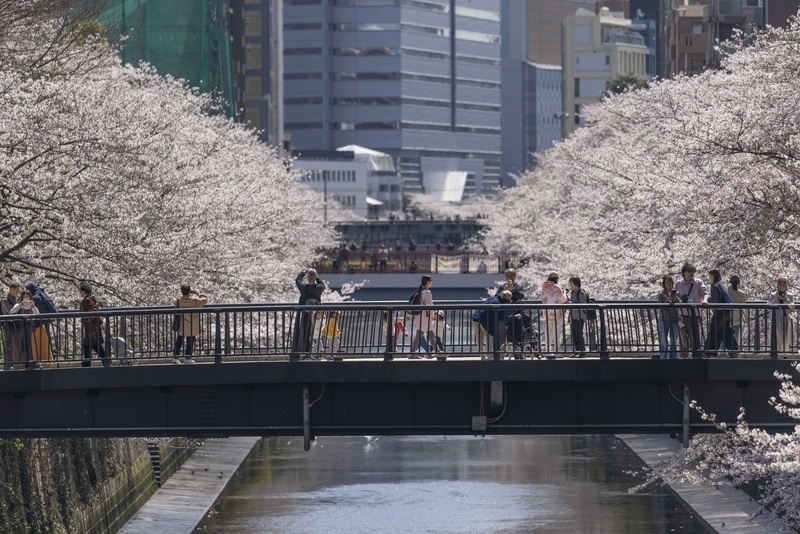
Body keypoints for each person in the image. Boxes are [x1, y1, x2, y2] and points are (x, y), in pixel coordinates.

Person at [674, 263, 708, 359]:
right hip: (682, 315)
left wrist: (705, 300)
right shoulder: (678, 284)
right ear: (684, 273)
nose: (692, 273)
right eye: (689, 271)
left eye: (693, 271)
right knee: (682, 337)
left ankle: (695, 355)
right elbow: (674, 294)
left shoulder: (698, 282)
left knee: (695, 337)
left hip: (694, 314)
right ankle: (683, 355)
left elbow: (705, 293)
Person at [291, 268, 325, 360]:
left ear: (307, 277)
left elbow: (297, 280)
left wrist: (303, 272)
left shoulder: (303, 288)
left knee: (306, 332)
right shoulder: (319, 288)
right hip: (316, 313)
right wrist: (317, 278)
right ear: (315, 277)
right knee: (317, 332)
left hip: (306, 313)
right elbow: (322, 284)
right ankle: (318, 351)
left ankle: (307, 351)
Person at [472, 290, 515, 360]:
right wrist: (515, 316)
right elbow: (504, 318)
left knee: (479, 338)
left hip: (476, 316)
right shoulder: (500, 304)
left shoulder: (494, 298)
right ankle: (490, 357)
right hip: (485, 320)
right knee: (490, 338)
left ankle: (483, 356)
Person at [704, 269, 737, 357]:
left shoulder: (714, 285)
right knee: (726, 331)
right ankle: (734, 350)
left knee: (714, 330)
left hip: (719, 311)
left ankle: (710, 351)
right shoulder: (721, 284)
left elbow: (716, 300)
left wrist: (708, 299)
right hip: (726, 311)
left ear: (713, 276)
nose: (709, 277)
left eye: (710, 275)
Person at [173, 284, 208, 364]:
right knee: (190, 340)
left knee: (179, 340)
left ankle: (176, 357)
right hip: (192, 325)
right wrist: (199, 294)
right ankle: (188, 358)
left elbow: (175, 303)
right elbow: (204, 300)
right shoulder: (195, 301)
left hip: (182, 325)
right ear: (189, 292)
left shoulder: (178, 302)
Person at [78, 282, 109, 368]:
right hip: (89, 328)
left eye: (80, 290)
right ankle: (87, 362)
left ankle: (106, 361)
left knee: (96, 345)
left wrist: (87, 318)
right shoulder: (87, 299)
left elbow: (95, 311)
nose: (79, 292)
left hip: (92, 328)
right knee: (86, 344)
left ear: (84, 291)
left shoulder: (87, 300)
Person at [8, 288, 39, 369]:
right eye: (24, 297)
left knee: (26, 347)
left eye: (28, 297)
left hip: (28, 328)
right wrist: (20, 305)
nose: (26, 299)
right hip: (18, 329)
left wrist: (33, 307)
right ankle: (17, 365)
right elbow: (12, 311)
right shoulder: (18, 305)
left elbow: (38, 315)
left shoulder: (32, 307)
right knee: (17, 347)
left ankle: (26, 364)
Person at [26, 283, 56, 364]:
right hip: (46, 320)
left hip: (39, 323)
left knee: (38, 342)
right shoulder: (42, 294)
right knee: (46, 340)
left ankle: (39, 359)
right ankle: (49, 358)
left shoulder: (34, 298)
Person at [406, 275, 434, 358]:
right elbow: (430, 306)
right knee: (429, 334)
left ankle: (412, 353)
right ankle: (439, 352)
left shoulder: (420, 291)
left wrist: (409, 315)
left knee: (420, 335)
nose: (432, 282)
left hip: (419, 316)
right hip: (425, 317)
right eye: (431, 280)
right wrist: (433, 315)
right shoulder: (427, 292)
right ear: (427, 282)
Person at [541, 271, 568, 357]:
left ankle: (548, 351)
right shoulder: (556, 287)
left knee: (548, 333)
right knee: (557, 332)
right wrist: (565, 292)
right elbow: (563, 300)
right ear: (556, 278)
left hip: (547, 313)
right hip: (557, 313)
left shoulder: (544, 287)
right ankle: (556, 352)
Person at [767, 278, 794, 359]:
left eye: (784, 285)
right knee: (777, 334)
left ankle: (786, 354)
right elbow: (769, 305)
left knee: (786, 336)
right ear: (777, 286)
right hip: (777, 318)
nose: (782, 287)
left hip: (786, 317)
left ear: (786, 286)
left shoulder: (790, 295)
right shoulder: (773, 294)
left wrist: (786, 300)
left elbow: (792, 307)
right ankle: (777, 353)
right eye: (780, 285)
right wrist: (776, 300)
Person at [656, 276, 681, 359]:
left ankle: (672, 357)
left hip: (674, 318)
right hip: (663, 318)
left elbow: (680, 304)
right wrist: (668, 300)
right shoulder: (661, 294)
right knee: (663, 339)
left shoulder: (676, 293)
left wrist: (675, 299)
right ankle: (663, 356)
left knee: (674, 339)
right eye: (667, 282)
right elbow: (661, 307)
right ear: (664, 284)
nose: (669, 284)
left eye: (670, 282)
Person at [1, 283, 22, 370]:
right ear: (12, 290)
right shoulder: (5, 300)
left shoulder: (14, 300)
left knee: (15, 345)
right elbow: (10, 312)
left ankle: (14, 363)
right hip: (8, 326)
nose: (17, 293)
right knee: (8, 345)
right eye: (16, 291)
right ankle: (7, 365)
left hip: (15, 326)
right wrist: (18, 306)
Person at [568, 276, 588, 357]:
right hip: (573, 316)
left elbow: (583, 305)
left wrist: (572, 304)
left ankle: (582, 351)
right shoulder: (572, 292)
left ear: (576, 284)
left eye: (571, 283)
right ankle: (577, 350)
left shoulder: (581, 293)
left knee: (579, 334)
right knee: (573, 334)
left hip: (580, 316)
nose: (570, 285)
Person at [728, 275, 747, 356]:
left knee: (725, 336)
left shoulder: (727, 291)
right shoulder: (741, 294)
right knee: (735, 336)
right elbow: (743, 304)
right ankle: (735, 352)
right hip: (737, 317)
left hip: (728, 316)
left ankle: (723, 352)